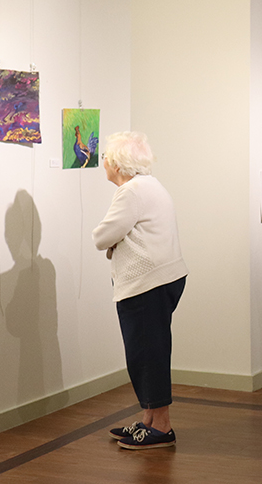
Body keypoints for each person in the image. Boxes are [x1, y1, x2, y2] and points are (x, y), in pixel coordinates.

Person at [93, 132, 188, 449]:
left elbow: (102, 236)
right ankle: (149, 419)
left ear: (117, 163)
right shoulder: (150, 184)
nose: (102, 161)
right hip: (162, 279)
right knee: (150, 350)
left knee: (147, 354)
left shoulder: (131, 192)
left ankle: (162, 425)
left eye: (105, 156)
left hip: (147, 284)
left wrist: (106, 236)